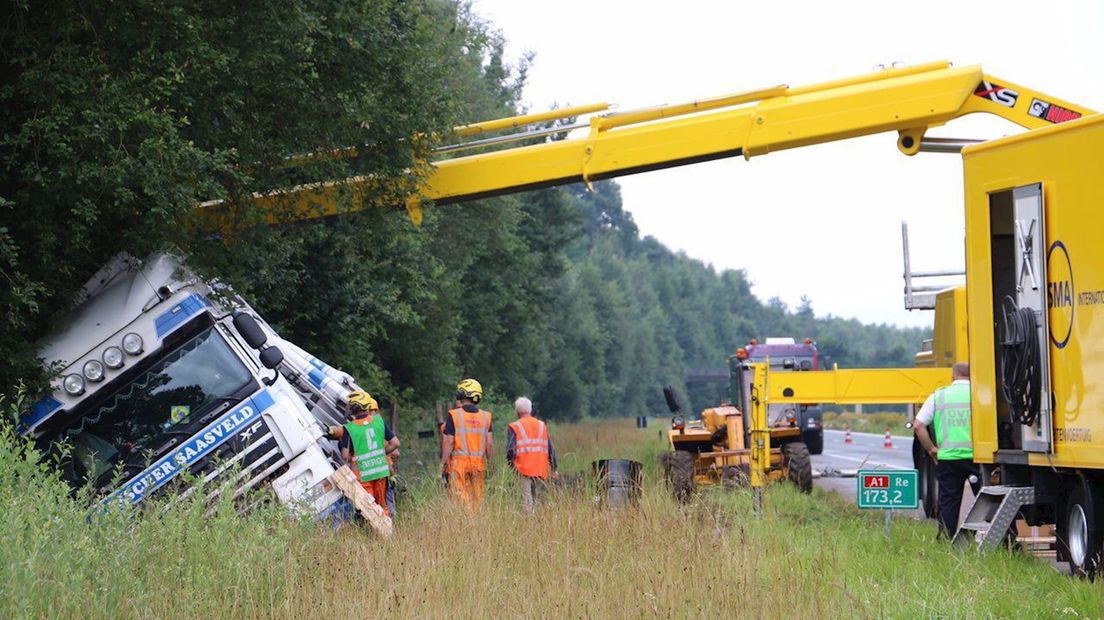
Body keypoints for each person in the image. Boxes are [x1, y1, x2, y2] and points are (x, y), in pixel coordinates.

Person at [914, 362, 979, 537]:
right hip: (979, 458)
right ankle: (1004, 543)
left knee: (949, 501)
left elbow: (918, 425)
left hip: (948, 458)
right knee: (987, 500)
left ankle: (946, 539)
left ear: (953, 376)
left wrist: (931, 449)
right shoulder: (979, 393)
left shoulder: (939, 396)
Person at [338, 391, 399, 517]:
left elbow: (344, 455)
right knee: (382, 506)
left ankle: (372, 533)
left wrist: (354, 458)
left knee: (368, 509)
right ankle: (388, 532)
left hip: (362, 475)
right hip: (380, 472)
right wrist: (381, 454)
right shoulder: (379, 421)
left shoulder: (349, 428)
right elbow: (395, 443)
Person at [440, 378, 493, 510]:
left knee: (461, 503)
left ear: (463, 394)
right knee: (477, 502)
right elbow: (490, 444)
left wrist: (442, 464)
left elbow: (449, 441)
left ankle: (465, 527)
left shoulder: (454, 415)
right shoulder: (486, 417)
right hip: (479, 465)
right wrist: (491, 466)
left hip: (459, 465)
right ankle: (477, 528)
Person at [506, 396, 557, 514]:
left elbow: (510, 450)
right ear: (530, 410)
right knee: (536, 501)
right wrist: (554, 468)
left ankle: (529, 527)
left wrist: (511, 466)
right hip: (540, 469)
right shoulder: (541, 425)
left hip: (522, 470)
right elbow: (550, 448)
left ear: (517, 411)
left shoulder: (515, 426)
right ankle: (538, 526)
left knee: (526, 503)